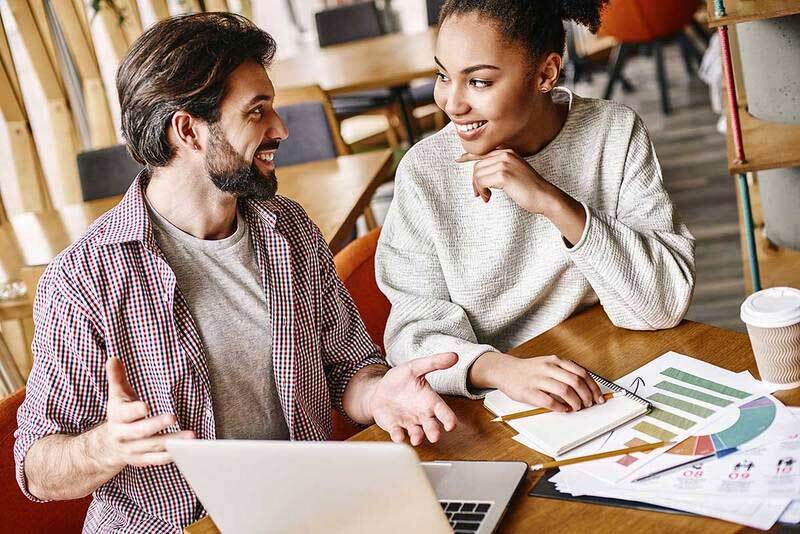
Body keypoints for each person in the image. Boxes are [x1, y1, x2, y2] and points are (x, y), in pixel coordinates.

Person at [15, 13, 458, 532]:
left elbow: (349, 370)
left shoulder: (288, 228)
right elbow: (37, 471)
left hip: (307, 510)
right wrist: (107, 446)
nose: (281, 129)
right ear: (188, 130)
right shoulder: (85, 277)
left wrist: (380, 392)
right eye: (257, 112)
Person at [376, 0, 696, 412]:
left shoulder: (613, 132)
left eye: (478, 82)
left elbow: (662, 304)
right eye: (443, 75)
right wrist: (502, 370)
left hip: (611, 373)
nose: (451, 103)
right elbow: (412, 337)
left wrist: (551, 201)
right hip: (489, 402)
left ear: (545, 73)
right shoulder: (424, 172)